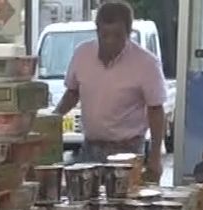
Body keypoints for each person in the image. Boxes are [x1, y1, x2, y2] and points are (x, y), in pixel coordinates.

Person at [51, 1, 166, 179]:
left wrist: (156, 156)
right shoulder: (82, 54)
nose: (110, 41)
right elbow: (73, 92)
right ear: (97, 31)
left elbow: (156, 110)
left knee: (121, 203)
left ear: (128, 33)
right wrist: (53, 118)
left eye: (118, 35)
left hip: (128, 151)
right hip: (90, 148)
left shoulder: (147, 63)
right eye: (105, 35)